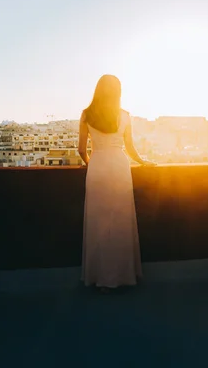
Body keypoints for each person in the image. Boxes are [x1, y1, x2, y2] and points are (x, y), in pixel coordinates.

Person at [78, 74, 156, 294]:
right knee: (121, 221)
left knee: (99, 222)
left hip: (98, 166)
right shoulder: (125, 116)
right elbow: (130, 148)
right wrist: (143, 162)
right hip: (120, 168)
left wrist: (90, 163)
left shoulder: (86, 115)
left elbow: (82, 149)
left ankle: (100, 277)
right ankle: (123, 275)